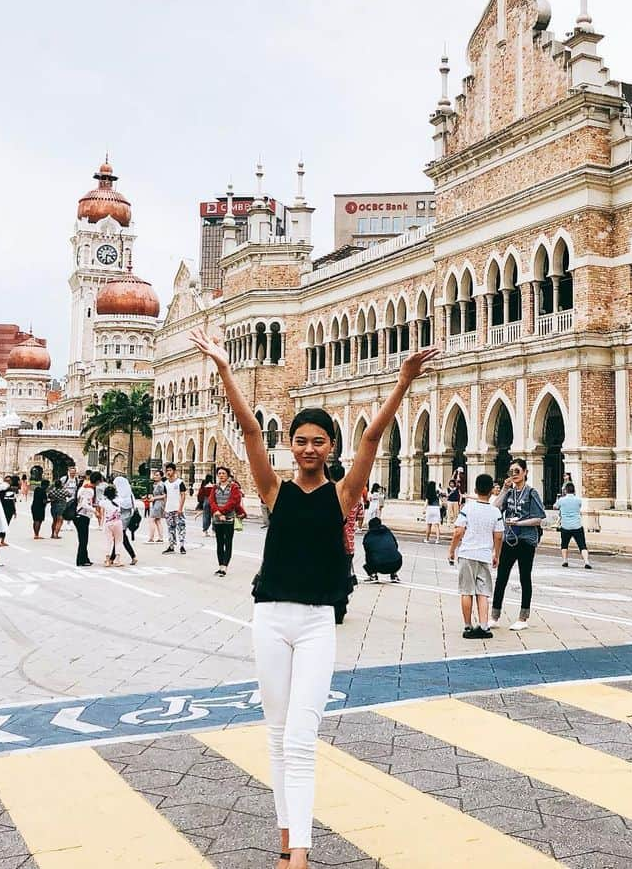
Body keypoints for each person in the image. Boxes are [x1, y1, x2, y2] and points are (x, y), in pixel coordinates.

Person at [189, 324, 436, 869]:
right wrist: (225, 369)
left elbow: (372, 439)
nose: (307, 447)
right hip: (270, 619)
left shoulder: (343, 494)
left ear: (330, 449)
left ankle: (298, 854)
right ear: (292, 446)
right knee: (277, 737)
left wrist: (402, 383)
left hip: (318, 623)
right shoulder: (273, 490)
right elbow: (252, 434)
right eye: (300, 440)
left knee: (301, 735)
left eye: (317, 441)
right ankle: (287, 844)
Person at [488, 457, 546, 631]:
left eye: (517, 471)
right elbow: (495, 507)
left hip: (526, 540)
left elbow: (539, 518)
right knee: (501, 578)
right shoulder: (510, 493)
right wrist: (504, 489)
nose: (514, 475)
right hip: (509, 539)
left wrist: (519, 522)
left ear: (525, 472)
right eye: (511, 472)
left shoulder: (531, 493)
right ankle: (494, 616)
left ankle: (523, 617)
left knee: (524, 577)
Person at [448, 472, 503, 638]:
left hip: (467, 553)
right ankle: (484, 625)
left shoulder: (468, 508)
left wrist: (452, 550)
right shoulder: (495, 512)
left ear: (475, 489)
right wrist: (496, 554)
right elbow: (499, 535)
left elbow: (458, 531)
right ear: (492, 491)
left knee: (466, 591)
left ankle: (467, 626)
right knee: (483, 592)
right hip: (485, 555)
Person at [208, 466, 244, 576]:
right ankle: (220, 565)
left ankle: (224, 567)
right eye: (219, 473)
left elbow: (233, 501)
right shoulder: (215, 487)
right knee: (219, 543)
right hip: (217, 519)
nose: (221, 475)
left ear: (227, 475)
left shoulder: (234, 487)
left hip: (228, 518)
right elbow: (211, 501)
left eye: (223, 473)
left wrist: (222, 512)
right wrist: (217, 513)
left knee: (228, 543)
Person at [557, 482, 591, 569]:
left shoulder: (561, 500)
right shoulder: (578, 500)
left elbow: (555, 506)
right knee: (582, 545)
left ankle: (565, 561)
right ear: (574, 490)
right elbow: (579, 507)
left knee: (564, 544)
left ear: (565, 491)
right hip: (577, 525)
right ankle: (586, 561)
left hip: (565, 526)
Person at [363, 516, 403, 582]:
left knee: (369, 555)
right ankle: (394, 575)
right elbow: (396, 545)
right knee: (391, 553)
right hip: (397, 563)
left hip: (380, 566)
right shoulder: (387, 531)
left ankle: (373, 575)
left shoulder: (369, 535)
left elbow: (368, 552)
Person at [161, 463, 187, 554]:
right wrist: (164, 508)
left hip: (178, 508)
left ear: (174, 471)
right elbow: (165, 496)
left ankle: (182, 545)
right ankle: (171, 545)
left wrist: (180, 507)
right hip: (169, 508)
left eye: (170, 470)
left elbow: (183, 495)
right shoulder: (166, 483)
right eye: (167, 471)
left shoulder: (179, 482)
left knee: (181, 527)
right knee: (170, 528)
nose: (168, 472)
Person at [113, 476, 138, 565]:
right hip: (126, 517)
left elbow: (120, 505)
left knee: (121, 537)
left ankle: (132, 556)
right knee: (120, 537)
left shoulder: (121, 495)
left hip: (123, 519)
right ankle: (113, 557)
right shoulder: (129, 493)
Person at [74, 470, 96, 566]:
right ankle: (80, 560)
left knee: (83, 539)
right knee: (83, 539)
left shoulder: (83, 487)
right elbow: (84, 504)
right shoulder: (89, 490)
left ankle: (85, 558)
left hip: (78, 515)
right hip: (83, 516)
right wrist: (95, 511)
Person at [147, 470, 166, 543]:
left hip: (159, 503)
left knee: (151, 519)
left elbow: (164, 495)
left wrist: (154, 498)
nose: (155, 476)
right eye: (155, 475)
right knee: (158, 521)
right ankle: (160, 538)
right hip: (156, 503)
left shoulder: (161, 485)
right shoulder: (156, 484)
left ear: (161, 476)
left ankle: (151, 538)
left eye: (157, 475)